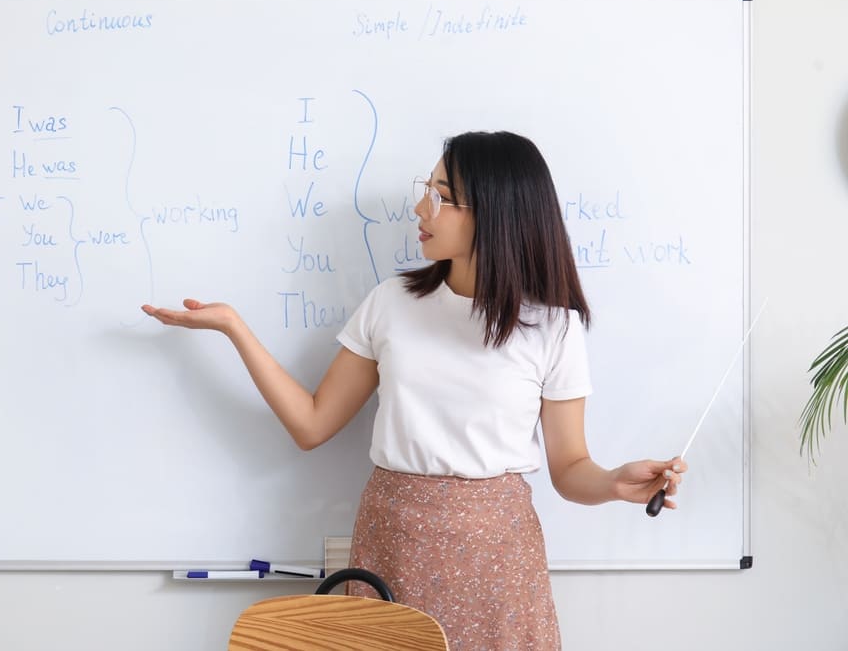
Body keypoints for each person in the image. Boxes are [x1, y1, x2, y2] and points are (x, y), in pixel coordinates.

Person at [141, 130, 686, 650]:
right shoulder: (391, 303)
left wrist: (613, 482)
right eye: (426, 189)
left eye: (442, 196)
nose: (422, 207)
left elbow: (569, 468)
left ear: (494, 212)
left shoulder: (553, 327)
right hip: (394, 540)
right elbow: (311, 425)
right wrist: (234, 327)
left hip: (499, 558)